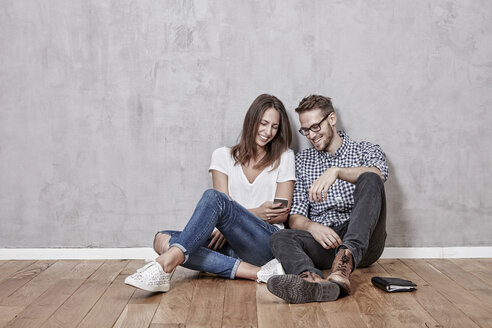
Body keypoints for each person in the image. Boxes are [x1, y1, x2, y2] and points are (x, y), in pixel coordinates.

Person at [125, 94, 295, 292]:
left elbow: (281, 213)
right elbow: (221, 210)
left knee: (211, 201)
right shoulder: (222, 156)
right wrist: (254, 212)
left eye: (274, 127)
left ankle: (165, 264)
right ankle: (258, 273)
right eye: (263, 123)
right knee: (161, 239)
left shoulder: (285, 156)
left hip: (265, 242)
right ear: (251, 120)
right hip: (227, 241)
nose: (268, 132)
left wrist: (240, 218)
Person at [266, 95, 388, 304]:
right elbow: (295, 217)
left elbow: (378, 175)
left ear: (331, 119)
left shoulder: (365, 150)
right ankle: (311, 282)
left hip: (364, 242)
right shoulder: (303, 161)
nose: (311, 135)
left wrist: (338, 172)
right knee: (279, 237)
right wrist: (313, 227)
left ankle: (345, 261)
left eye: (315, 127)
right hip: (326, 241)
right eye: (305, 130)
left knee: (369, 177)